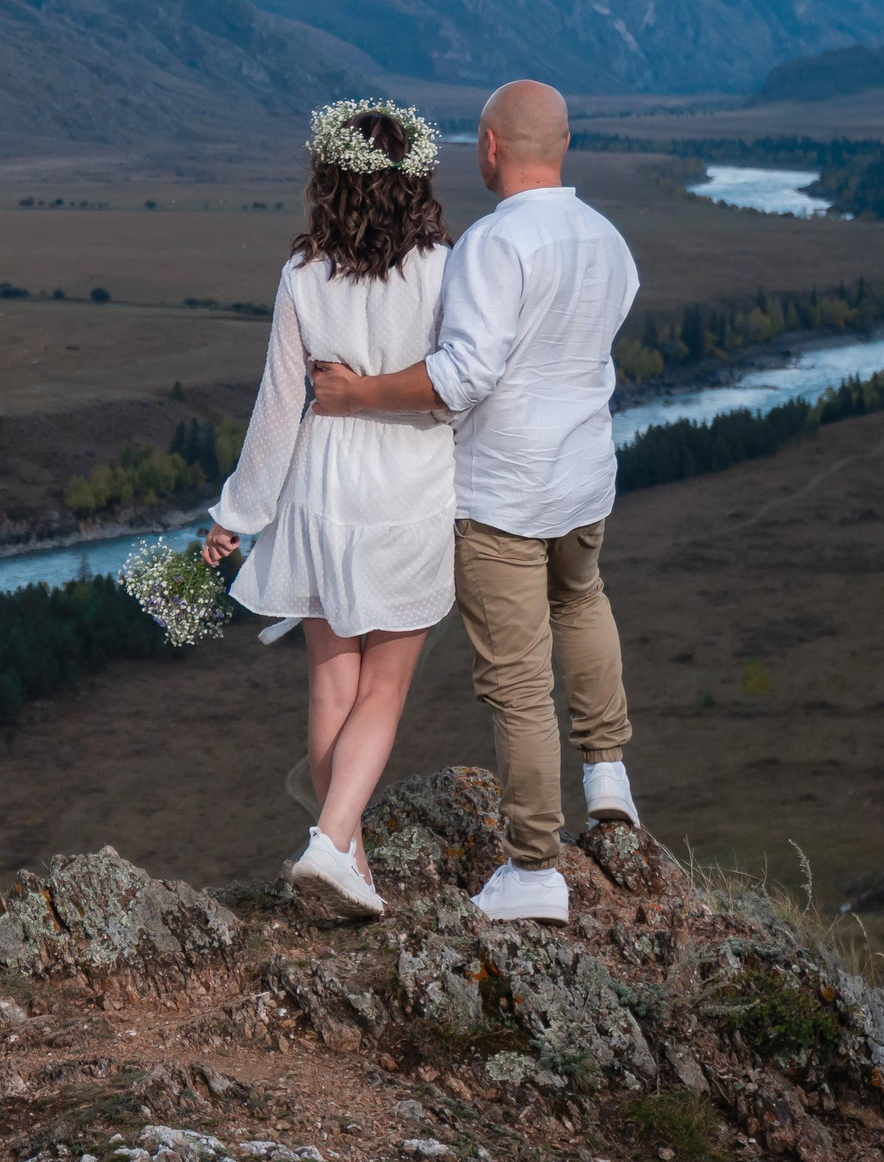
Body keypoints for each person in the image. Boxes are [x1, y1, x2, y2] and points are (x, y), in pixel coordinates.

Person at [310, 79, 639, 926]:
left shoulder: (494, 244)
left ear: (492, 147)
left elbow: (461, 378)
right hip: (585, 476)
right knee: (584, 598)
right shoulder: (608, 238)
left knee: (517, 679)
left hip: (504, 491)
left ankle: (535, 866)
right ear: (562, 145)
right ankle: (608, 771)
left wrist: (358, 394)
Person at [201, 99, 454, 920]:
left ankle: (350, 867)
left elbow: (278, 410)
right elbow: (461, 393)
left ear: (329, 176)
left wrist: (237, 514)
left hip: (317, 490)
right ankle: (330, 842)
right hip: (410, 493)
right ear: (415, 181)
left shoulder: (302, 275)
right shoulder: (446, 270)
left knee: (329, 691)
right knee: (382, 691)